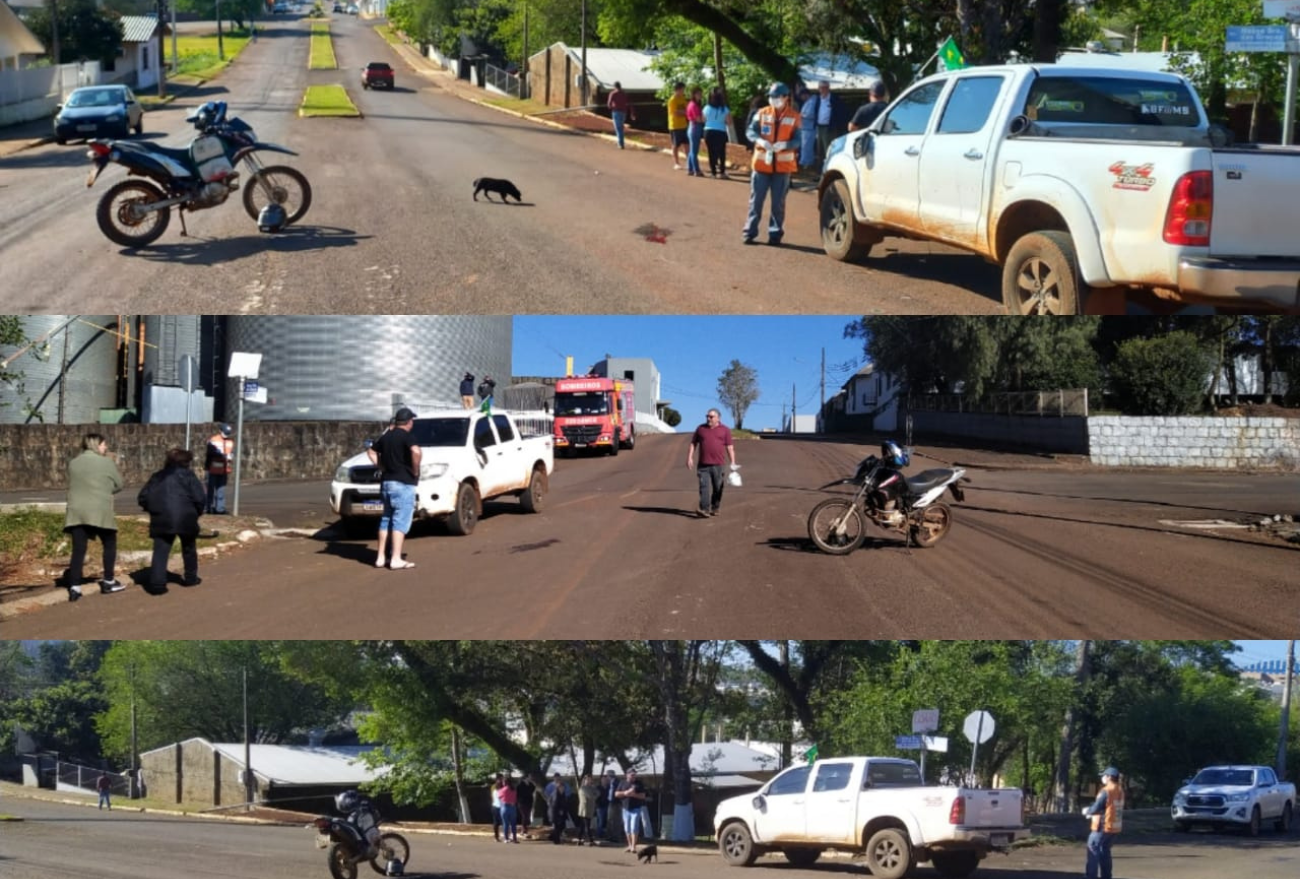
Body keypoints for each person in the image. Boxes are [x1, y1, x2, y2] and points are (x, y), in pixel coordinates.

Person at [63, 433, 125, 602]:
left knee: (78, 549)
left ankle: (74, 587)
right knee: (109, 543)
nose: (105, 448)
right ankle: (109, 581)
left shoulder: (73, 463)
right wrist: (105, 490)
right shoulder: (106, 462)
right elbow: (119, 484)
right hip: (99, 509)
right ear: (96, 445)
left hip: (77, 511)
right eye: (104, 445)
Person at [137, 448, 207, 595]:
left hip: (161, 517)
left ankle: (157, 584)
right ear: (186, 462)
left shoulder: (157, 477)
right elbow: (200, 498)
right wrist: (197, 512)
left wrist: (152, 509)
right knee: (189, 548)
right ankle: (191, 578)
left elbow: (143, 497)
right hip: (186, 516)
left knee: (161, 550)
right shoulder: (189, 476)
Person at [743, 82, 800, 246]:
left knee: (778, 203)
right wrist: (760, 139)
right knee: (756, 201)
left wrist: (786, 145)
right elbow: (750, 131)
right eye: (771, 97)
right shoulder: (761, 113)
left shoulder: (794, 117)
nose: (774, 100)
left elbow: (798, 140)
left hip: (782, 168)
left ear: (785, 98)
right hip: (762, 165)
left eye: (777, 97)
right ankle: (749, 232)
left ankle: (775, 234)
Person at [367, 407, 422, 570]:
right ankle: (396, 558)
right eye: (412, 420)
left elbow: (370, 451)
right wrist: (415, 470)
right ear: (408, 422)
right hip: (403, 483)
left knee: (386, 518)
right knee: (400, 521)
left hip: (386, 483)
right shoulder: (407, 436)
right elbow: (416, 451)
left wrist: (382, 466)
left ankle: (380, 557)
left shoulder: (386, 437)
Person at [687, 409, 737, 518]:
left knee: (718, 487)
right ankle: (704, 509)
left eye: (711, 417)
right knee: (704, 487)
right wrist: (690, 457)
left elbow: (730, 447)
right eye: (707, 416)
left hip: (718, 465)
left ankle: (715, 507)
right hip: (703, 465)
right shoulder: (701, 429)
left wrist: (733, 462)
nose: (708, 418)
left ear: (718, 418)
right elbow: (693, 443)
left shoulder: (725, 430)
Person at [1083, 767, 1125, 879]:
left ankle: (1090, 876)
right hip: (1113, 828)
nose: (1103, 778)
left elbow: (1096, 807)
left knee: (1093, 850)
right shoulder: (1120, 790)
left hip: (1102, 827)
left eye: (1104, 775)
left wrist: (1087, 811)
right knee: (1105, 851)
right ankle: (1106, 876)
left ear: (1109, 777)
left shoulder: (1106, 791)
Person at [812, 79, 847, 161]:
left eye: (825, 87)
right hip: (819, 127)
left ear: (828, 88)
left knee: (829, 148)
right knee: (819, 149)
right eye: (821, 88)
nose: (823, 89)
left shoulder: (834, 99)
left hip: (830, 127)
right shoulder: (818, 99)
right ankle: (821, 167)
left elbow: (840, 113)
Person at [615, 769, 647, 854]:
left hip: (636, 809)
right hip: (625, 809)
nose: (633, 776)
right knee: (627, 828)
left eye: (634, 774)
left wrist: (634, 794)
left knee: (634, 827)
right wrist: (625, 793)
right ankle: (629, 845)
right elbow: (616, 794)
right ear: (627, 775)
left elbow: (643, 796)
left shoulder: (639, 784)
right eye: (632, 774)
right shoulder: (622, 783)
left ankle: (633, 846)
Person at [204, 423, 234, 514]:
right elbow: (210, 453)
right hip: (212, 467)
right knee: (210, 488)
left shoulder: (230, 442)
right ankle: (208, 508)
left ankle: (219, 509)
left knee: (221, 489)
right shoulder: (213, 440)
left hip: (223, 468)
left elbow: (232, 453)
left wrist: (230, 458)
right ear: (220, 431)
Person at [702, 87, 732, 178]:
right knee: (721, 152)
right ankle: (722, 172)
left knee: (711, 152)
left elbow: (703, 119)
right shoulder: (724, 109)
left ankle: (713, 173)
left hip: (708, 131)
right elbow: (729, 122)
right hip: (721, 132)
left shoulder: (706, 108)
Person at [666, 81, 688, 170]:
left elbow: (687, 110)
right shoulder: (672, 100)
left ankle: (688, 162)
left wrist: (683, 113)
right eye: (682, 90)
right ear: (677, 90)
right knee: (676, 145)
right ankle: (676, 163)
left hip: (684, 125)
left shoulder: (683, 98)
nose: (683, 91)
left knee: (687, 144)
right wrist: (684, 113)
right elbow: (675, 113)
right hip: (675, 126)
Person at [607, 81, 635, 149]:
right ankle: (621, 142)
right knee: (621, 128)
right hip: (623, 112)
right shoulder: (624, 94)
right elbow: (630, 104)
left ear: (614, 86)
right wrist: (632, 113)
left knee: (618, 128)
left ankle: (621, 144)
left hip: (616, 112)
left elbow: (609, 105)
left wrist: (613, 106)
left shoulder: (613, 93)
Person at [545, 772, 570, 844]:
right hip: (554, 813)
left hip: (560, 813)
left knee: (562, 826)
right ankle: (556, 841)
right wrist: (559, 810)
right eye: (560, 788)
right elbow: (554, 804)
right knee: (556, 826)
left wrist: (563, 810)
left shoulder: (563, 794)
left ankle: (552, 836)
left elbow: (564, 803)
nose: (562, 789)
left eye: (563, 788)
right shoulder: (555, 794)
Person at [685, 87, 705, 177]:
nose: (700, 95)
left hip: (693, 127)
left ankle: (690, 169)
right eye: (698, 94)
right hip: (695, 128)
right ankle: (696, 170)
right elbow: (698, 119)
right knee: (694, 151)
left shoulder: (692, 104)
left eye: (701, 93)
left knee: (692, 150)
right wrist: (705, 119)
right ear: (693, 95)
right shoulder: (693, 105)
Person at [798, 85, 818, 169]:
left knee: (807, 146)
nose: (801, 98)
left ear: (805, 94)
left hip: (809, 127)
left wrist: (801, 115)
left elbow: (810, 114)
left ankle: (807, 162)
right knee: (804, 146)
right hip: (805, 127)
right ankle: (804, 161)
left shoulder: (813, 101)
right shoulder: (808, 102)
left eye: (802, 96)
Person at [577, 774, 599, 845]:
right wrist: (595, 795)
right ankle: (590, 840)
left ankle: (579, 839)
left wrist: (595, 793)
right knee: (587, 825)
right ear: (585, 780)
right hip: (584, 809)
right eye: (588, 779)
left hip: (590, 809)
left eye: (590, 779)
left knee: (583, 826)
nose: (589, 781)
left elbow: (598, 793)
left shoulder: (591, 788)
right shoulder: (583, 788)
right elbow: (591, 796)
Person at [498, 776, 520, 843]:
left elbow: (499, 797)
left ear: (505, 782)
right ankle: (515, 838)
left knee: (506, 824)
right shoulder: (514, 789)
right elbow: (515, 799)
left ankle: (506, 838)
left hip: (505, 807)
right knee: (513, 824)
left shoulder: (502, 790)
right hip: (513, 807)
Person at [596, 768, 616, 840]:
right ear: (601, 780)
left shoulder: (609, 787)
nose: (605, 781)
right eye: (603, 780)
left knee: (607, 821)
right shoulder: (598, 787)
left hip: (608, 806)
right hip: (600, 807)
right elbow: (596, 797)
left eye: (606, 779)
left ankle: (606, 834)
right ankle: (599, 834)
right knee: (600, 821)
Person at [516, 773, 536, 838]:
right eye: (530, 777)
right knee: (524, 815)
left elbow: (533, 789)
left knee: (527, 816)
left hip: (529, 802)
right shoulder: (520, 785)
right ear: (526, 777)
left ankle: (525, 828)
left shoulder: (531, 785)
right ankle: (524, 829)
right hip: (522, 802)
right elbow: (517, 793)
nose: (531, 778)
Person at [490, 772, 504, 842]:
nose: (501, 780)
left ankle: (505, 835)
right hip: (496, 806)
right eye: (500, 778)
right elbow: (493, 796)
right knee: (496, 822)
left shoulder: (503, 786)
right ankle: (496, 836)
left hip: (500, 806)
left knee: (504, 822)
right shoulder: (494, 787)